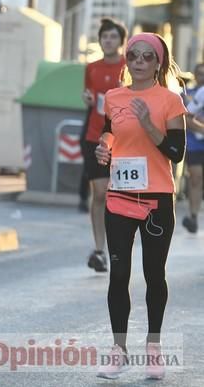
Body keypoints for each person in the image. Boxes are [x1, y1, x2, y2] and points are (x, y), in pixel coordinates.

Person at [95, 32, 186, 380]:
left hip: (157, 199)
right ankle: (118, 351)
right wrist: (104, 148)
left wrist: (149, 124)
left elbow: (176, 153)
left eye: (148, 56)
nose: (140, 61)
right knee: (118, 275)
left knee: (153, 275)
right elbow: (109, 132)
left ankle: (154, 349)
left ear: (159, 62)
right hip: (119, 196)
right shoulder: (114, 96)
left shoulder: (169, 101)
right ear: (127, 58)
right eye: (134, 54)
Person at [82, 18, 127, 273]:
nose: (108, 41)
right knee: (100, 193)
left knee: (117, 196)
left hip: (124, 140)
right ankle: (99, 250)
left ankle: (119, 247)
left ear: (121, 41)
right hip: (95, 136)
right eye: (104, 36)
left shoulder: (130, 66)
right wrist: (87, 98)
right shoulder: (91, 67)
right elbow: (89, 96)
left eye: (112, 36)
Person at [182, 63, 204, 233]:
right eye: (199, 73)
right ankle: (194, 215)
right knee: (195, 178)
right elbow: (186, 118)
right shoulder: (188, 94)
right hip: (195, 143)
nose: (202, 77)